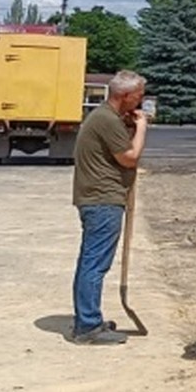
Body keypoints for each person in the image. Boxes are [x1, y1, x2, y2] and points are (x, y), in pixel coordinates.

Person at [71, 70, 148, 345]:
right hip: (103, 200)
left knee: (90, 261)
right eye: (139, 96)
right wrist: (141, 128)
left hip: (98, 198)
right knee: (95, 263)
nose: (141, 102)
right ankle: (88, 326)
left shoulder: (107, 118)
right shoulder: (105, 120)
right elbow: (129, 157)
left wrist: (128, 125)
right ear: (125, 96)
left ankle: (88, 318)